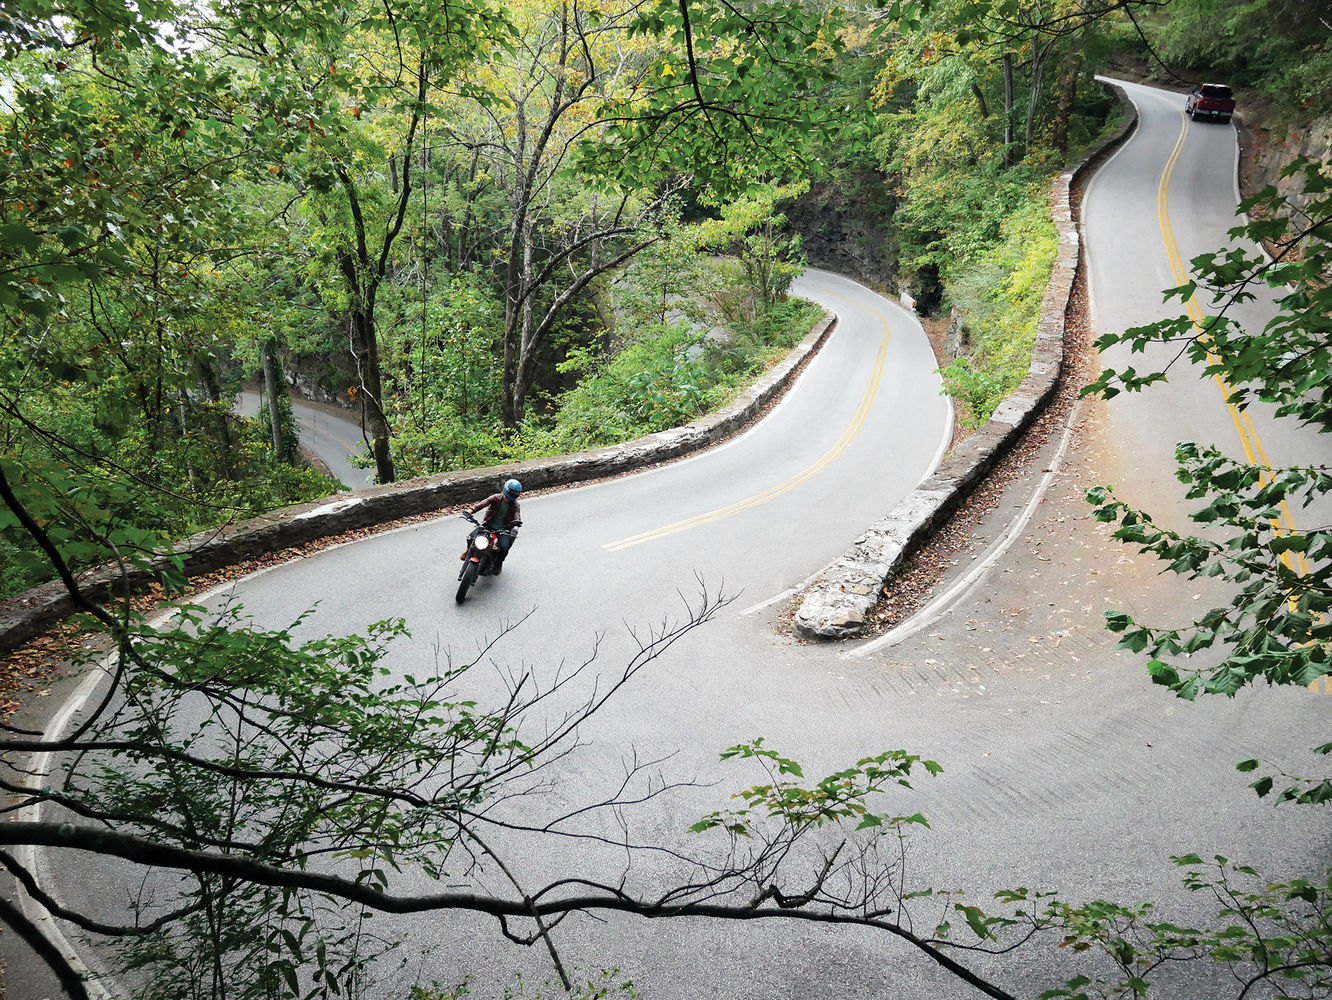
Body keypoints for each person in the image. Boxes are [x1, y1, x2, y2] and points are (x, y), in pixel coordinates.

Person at [466, 478, 522, 574]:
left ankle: (498, 563)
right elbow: (481, 504)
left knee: (504, 547)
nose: (511, 497)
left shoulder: (515, 505)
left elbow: (517, 518)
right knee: (470, 537)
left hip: (502, 530)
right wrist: (469, 511)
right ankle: (468, 551)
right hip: (487, 526)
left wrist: (515, 529)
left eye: (515, 494)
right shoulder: (495, 498)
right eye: (511, 493)